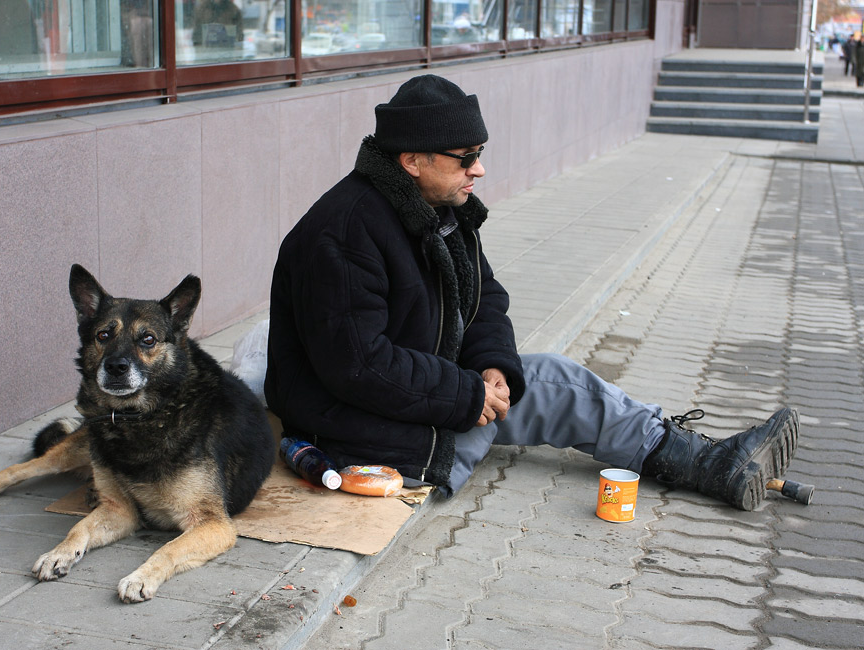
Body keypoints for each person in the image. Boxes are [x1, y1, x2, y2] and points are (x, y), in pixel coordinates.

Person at [265, 74, 799, 511]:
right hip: (353, 427)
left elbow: (483, 298)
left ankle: (710, 464)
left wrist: (494, 367)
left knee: (549, 381)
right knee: (557, 386)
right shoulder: (341, 231)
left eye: (480, 151)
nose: (479, 167)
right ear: (412, 161)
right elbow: (357, 365)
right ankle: (707, 463)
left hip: (422, 392)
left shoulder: (440, 210)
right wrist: (465, 394)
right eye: (465, 155)